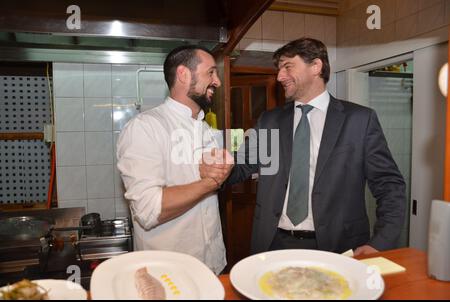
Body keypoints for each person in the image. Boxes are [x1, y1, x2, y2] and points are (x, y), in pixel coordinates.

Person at [200, 38, 406, 256]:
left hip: (339, 246)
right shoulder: (270, 120)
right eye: (279, 69)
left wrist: (380, 242)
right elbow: (244, 165)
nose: (279, 77)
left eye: (288, 67)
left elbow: (389, 185)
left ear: (316, 66)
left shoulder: (359, 120)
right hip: (274, 243)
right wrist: (219, 168)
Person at [116, 45, 233, 274]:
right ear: (183, 74)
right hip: (169, 275)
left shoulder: (206, 129)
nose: (217, 81)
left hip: (213, 266)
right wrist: (211, 182)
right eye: (211, 72)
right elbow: (148, 210)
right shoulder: (145, 128)